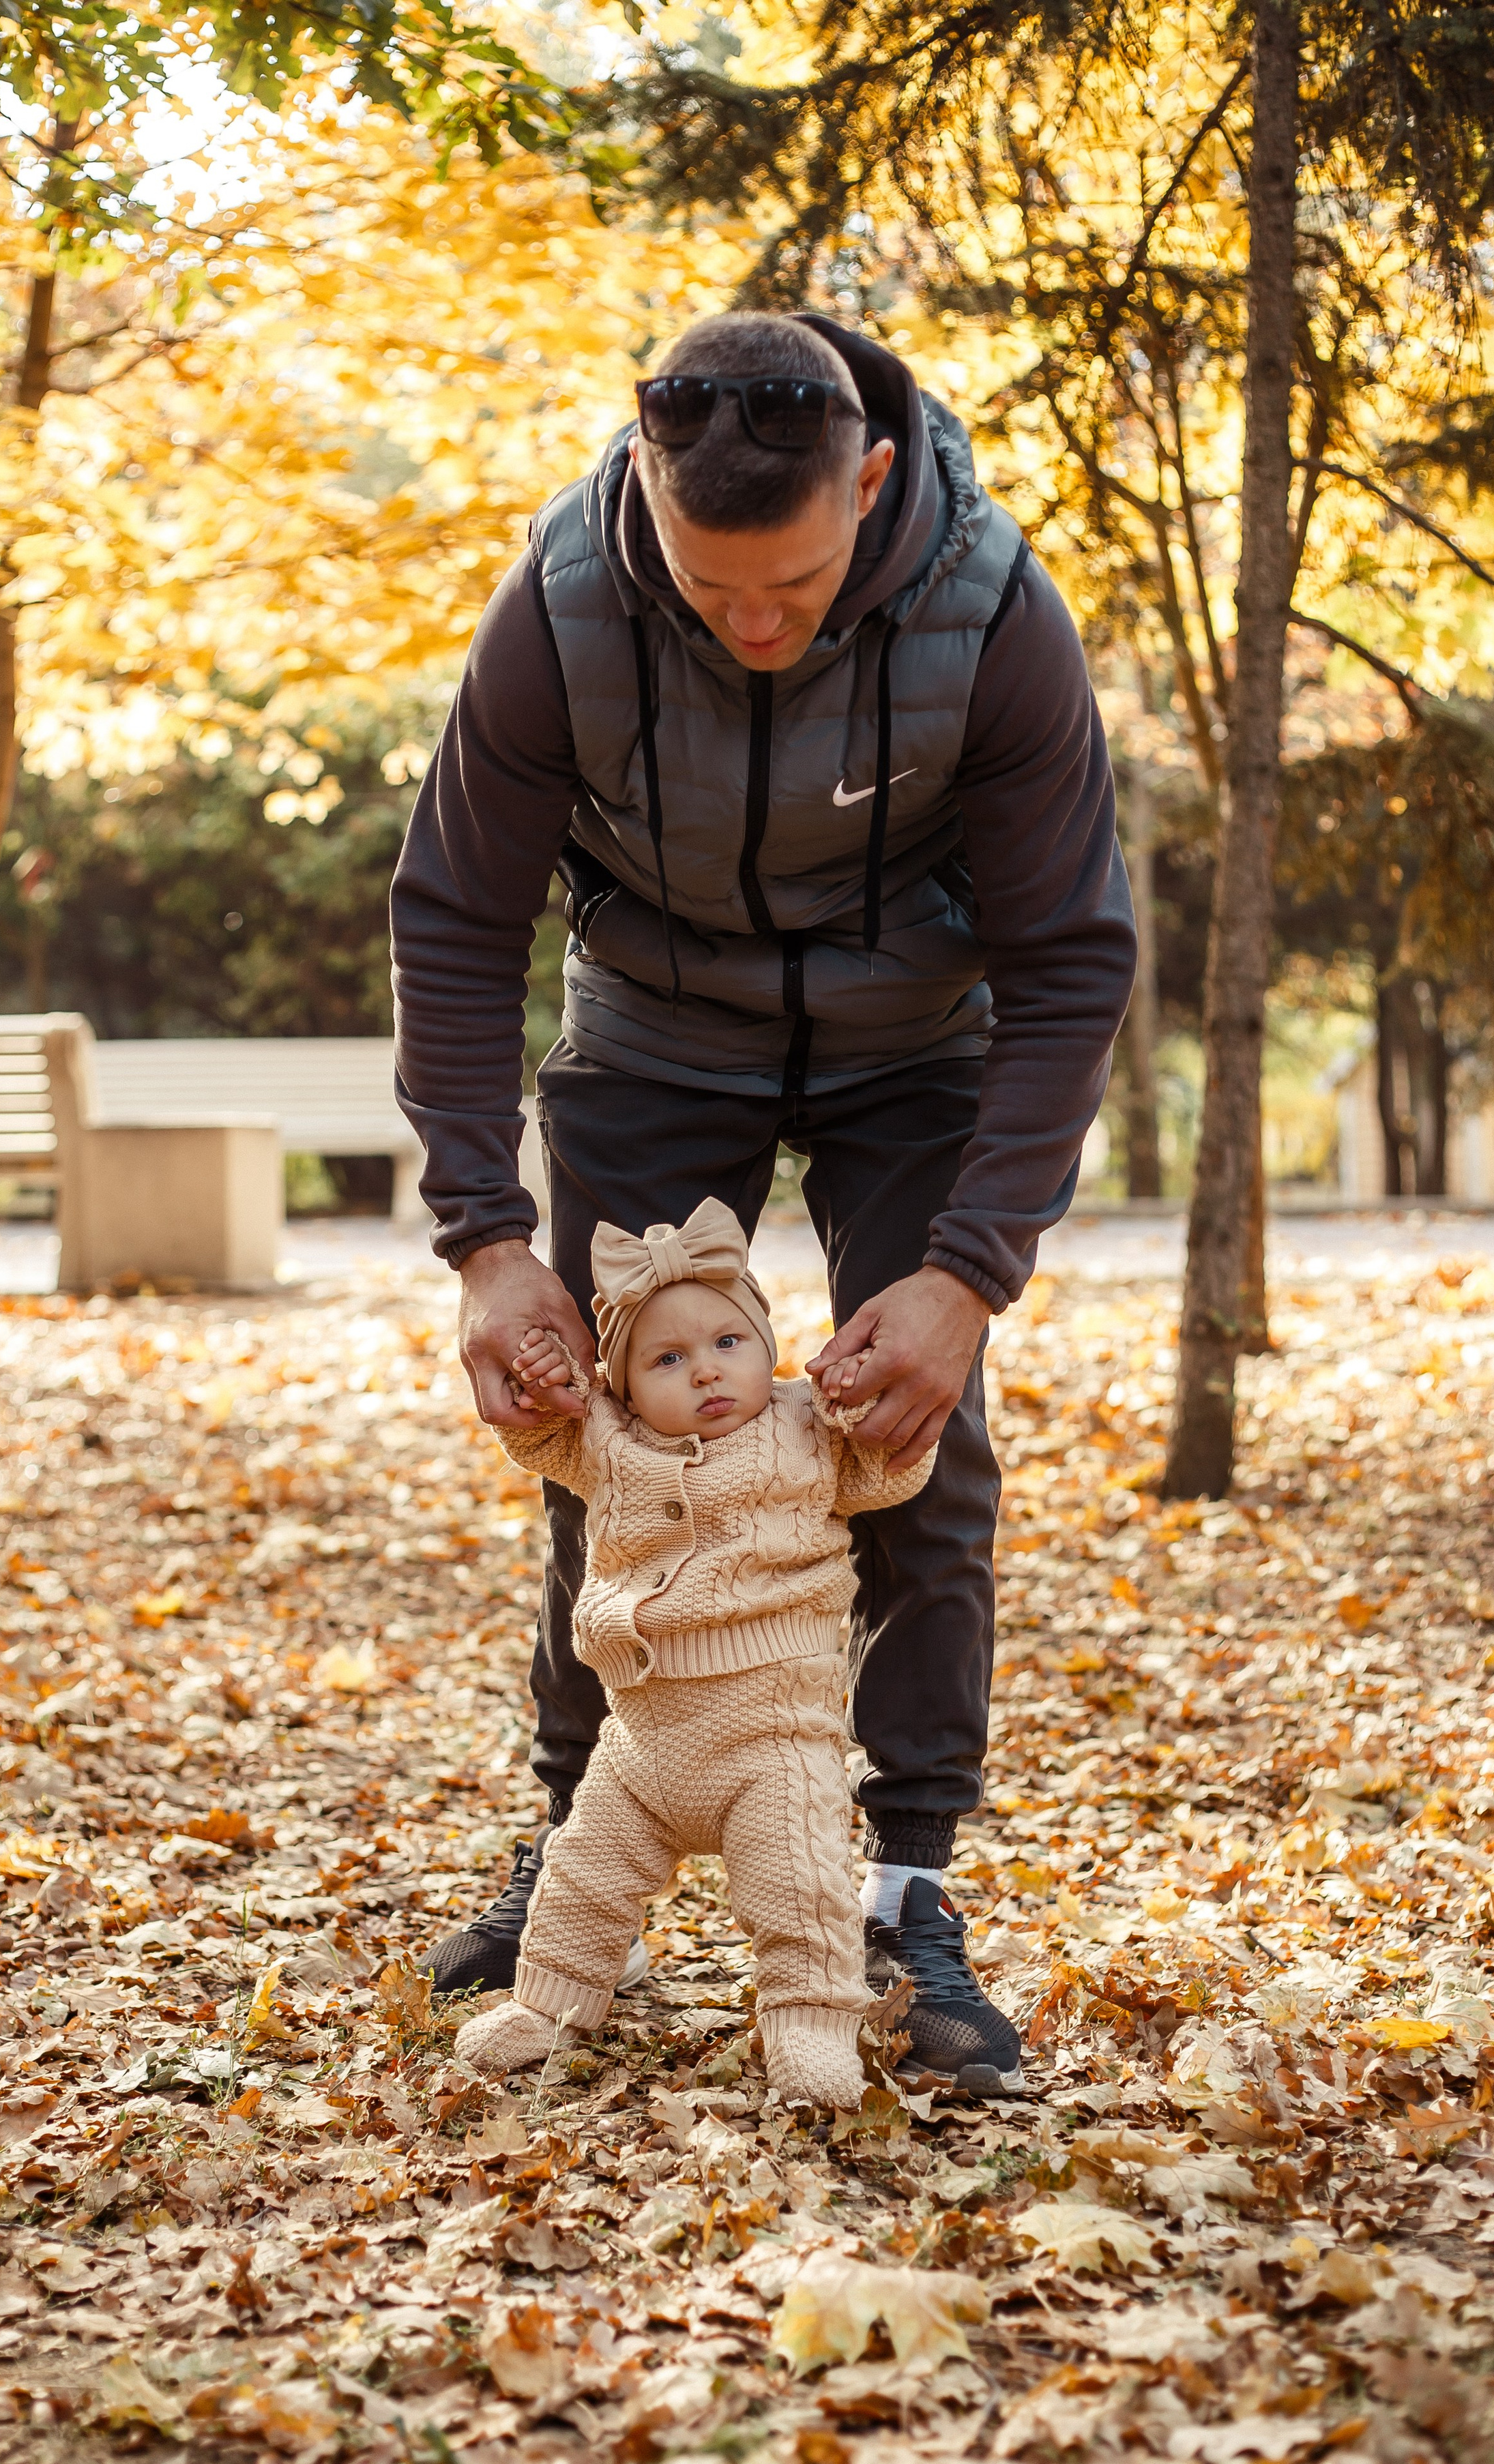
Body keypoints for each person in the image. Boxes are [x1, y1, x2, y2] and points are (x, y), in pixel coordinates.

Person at [390, 309, 1136, 2095]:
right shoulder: (561, 606)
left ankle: (901, 1895)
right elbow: (458, 918)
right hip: (654, 1039)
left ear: (870, 486)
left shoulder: (995, 617)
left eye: (793, 584)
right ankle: (586, 1839)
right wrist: (490, 1245)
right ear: (643, 477)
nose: (753, 621)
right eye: (710, 579)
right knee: (608, 1438)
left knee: (914, 1443)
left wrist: (967, 1278)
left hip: (913, 1048)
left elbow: (1070, 960)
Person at [455, 1196, 1006, 2104]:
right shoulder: (609, 1439)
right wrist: (546, 1375)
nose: (706, 1372)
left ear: (768, 1345)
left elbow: (890, 1473)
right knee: (581, 1878)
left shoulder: (807, 1427)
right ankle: (549, 2003)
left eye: (728, 1344)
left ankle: (809, 2024)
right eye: (667, 1360)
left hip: (772, 1743)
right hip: (639, 1747)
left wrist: (865, 1405)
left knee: (802, 1899)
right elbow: (539, 1434)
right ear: (625, 1384)